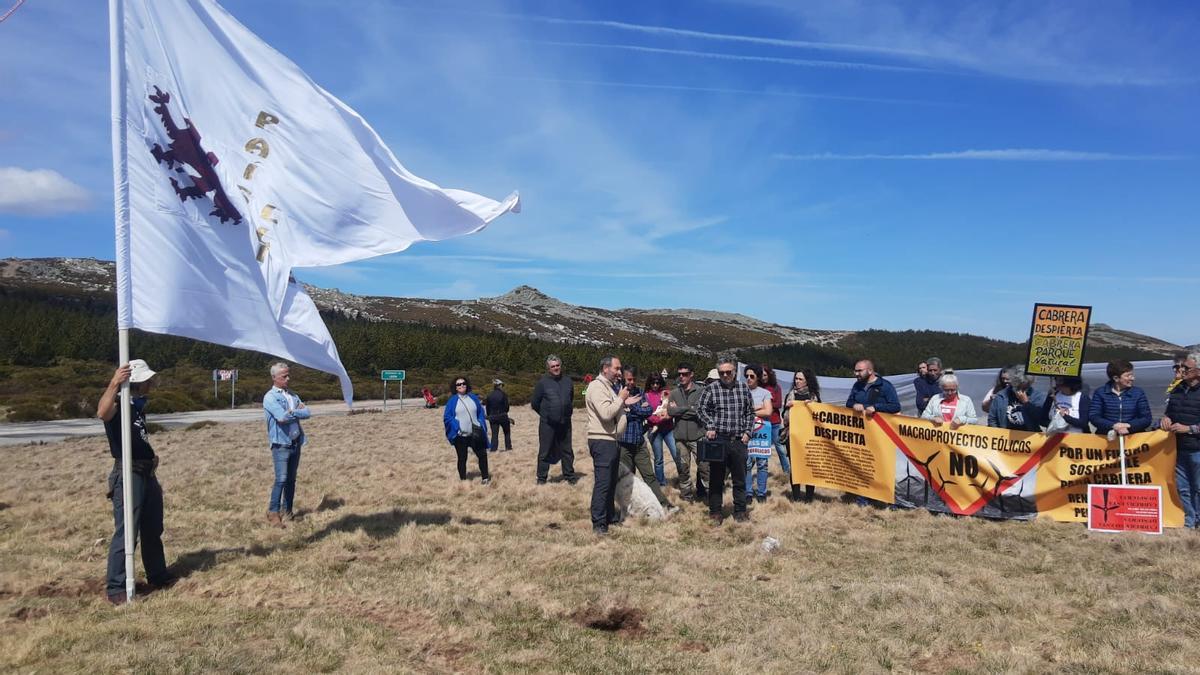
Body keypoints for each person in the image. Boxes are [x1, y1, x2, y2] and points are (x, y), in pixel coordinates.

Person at [97, 359, 174, 605]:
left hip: (146, 472)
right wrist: (113, 384)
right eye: (147, 380)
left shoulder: (137, 405)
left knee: (152, 528)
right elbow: (102, 412)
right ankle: (117, 587)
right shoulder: (119, 403)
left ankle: (158, 575)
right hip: (128, 473)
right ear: (136, 382)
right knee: (127, 531)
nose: (151, 384)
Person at [697, 357, 755, 524]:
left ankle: (740, 511)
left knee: (740, 478)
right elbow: (700, 409)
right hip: (719, 439)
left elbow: (750, 413)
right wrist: (710, 425)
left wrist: (748, 433)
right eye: (722, 373)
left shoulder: (744, 388)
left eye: (728, 372)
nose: (725, 375)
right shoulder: (711, 388)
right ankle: (715, 511)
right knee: (716, 478)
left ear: (734, 372)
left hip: (738, 440)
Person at [585, 356, 633, 535]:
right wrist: (620, 399)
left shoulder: (608, 387)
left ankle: (609, 516)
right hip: (602, 440)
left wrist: (622, 403)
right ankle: (599, 523)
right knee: (603, 483)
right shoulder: (597, 387)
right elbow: (606, 413)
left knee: (610, 482)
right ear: (605, 368)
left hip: (611, 440)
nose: (619, 372)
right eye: (617, 368)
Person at [617, 367, 676, 512]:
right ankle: (627, 508)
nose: (632, 382)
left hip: (639, 442)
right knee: (627, 479)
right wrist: (626, 405)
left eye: (634, 379)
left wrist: (632, 408)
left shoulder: (641, 392)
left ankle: (663, 503)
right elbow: (616, 414)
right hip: (624, 443)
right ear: (623, 378)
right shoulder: (617, 394)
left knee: (649, 476)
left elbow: (648, 411)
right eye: (629, 379)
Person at [263, 362, 311, 528]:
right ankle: (273, 512)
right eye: (284, 376)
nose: (288, 378)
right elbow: (281, 417)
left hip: (296, 442)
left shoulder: (292, 395)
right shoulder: (270, 397)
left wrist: (293, 412)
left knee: (291, 479)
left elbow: (308, 412)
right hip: (281, 444)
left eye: (288, 375)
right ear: (274, 377)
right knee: (281, 479)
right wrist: (296, 412)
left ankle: (287, 511)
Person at [1162, 353, 1200, 528]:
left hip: (1197, 448)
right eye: (1179, 367)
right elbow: (1169, 411)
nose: (1181, 370)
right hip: (1178, 447)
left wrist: (1190, 429)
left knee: (1198, 488)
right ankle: (1190, 522)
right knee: (1183, 488)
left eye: (1186, 368)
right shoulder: (1176, 389)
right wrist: (1165, 420)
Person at [531, 354, 578, 485]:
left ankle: (569, 476)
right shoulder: (542, 383)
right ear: (548, 368)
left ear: (560, 366)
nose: (556, 368)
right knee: (544, 451)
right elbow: (535, 403)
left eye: (557, 365)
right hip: (548, 424)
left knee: (567, 451)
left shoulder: (568, 381)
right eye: (553, 366)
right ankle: (541, 478)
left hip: (565, 423)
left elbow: (571, 398)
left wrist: (566, 412)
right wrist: (546, 415)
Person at [668, 362, 707, 502]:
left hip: (698, 436)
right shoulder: (674, 392)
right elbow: (670, 411)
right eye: (679, 374)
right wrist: (688, 408)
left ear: (691, 374)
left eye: (685, 374)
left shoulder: (701, 391)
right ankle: (686, 495)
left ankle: (709, 494)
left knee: (704, 467)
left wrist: (680, 409)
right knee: (683, 469)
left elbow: (699, 411)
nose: (681, 377)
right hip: (680, 438)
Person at [443, 376, 491, 484]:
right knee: (462, 458)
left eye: (463, 383)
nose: (461, 386)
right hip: (461, 436)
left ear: (467, 384)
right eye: (458, 384)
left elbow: (480, 412)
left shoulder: (473, 398)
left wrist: (480, 422)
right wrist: (456, 427)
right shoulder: (452, 401)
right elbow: (447, 417)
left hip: (475, 433)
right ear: (455, 387)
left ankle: (485, 478)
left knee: (482, 455)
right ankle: (463, 480)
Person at [783, 368, 820, 502]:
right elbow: (785, 419)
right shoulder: (790, 395)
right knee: (795, 466)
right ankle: (796, 496)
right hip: (792, 437)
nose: (797, 381)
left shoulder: (814, 397)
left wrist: (812, 407)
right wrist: (788, 408)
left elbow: (819, 418)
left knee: (810, 466)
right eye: (796, 378)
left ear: (807, 381)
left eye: (800, 379)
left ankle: (809, 496)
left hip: (809, 438)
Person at [1089, 360, 1152, 437]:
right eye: (1128, 376)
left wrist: (1129, 425)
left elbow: (1146, 418)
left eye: (1132, 375)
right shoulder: (1100, 393)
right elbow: (1094, 416)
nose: (1132, 378)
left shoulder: (1138, 393)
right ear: (1116, 378)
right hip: (1107, 438)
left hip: (1134, 439)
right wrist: (1113, 426)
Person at [743, 365, 773, 503]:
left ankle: (761, 493)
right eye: (747, 376)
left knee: (762, 464)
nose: (748, 379)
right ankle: (748, 492)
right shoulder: (741, 391)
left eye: (752, 376)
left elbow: (768, 412)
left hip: (761, 433)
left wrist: (750, 411)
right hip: (745, 432)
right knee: (747, 464)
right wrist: (759, 406)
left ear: (758, 377)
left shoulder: (765, 393)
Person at [643, 373, 677, 487]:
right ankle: (661, 483)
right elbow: (646, 413)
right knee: (658, 459)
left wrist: (666, 416)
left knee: (677, 454)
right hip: (654, 430)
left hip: (668, 429)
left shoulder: (666, 393)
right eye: (653, 383)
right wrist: (657, 420)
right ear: (649, 383)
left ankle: (683, 480)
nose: (655, 385)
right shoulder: (646, 395)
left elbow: (672, 408)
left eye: (657, 383)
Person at [986, 366, 1046, 431]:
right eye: (1018, 387)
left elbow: (1041, 420)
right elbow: (992, 419)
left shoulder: (1037, 396)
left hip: (1029, 437)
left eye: (1024, 388)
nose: (1020, 391)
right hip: (1006, 436)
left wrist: (1026, 403)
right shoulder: (1001, 395)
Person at [761, 365, 791, 480]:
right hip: (762, 423)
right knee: (763, 448)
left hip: (774, 422)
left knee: (779, 448)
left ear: (769, 375)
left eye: (765, 375)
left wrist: (765, 404)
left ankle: (787, 471)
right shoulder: (758, 387)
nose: (763, 377)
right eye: (761, 375)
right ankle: (761, 471)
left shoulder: (776, 387)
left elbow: (778, 404)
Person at [485, 379, 512, 452]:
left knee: (494, 434)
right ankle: (508, 448)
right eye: (502, 385)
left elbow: (487, 408)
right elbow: (507, 407)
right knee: (507, 433)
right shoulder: (504, 394)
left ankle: (493, 449)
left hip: (493, 417)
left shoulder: (489, 395)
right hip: (503, 416)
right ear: (499, 385)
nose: (502, 387)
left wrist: (489, 416)